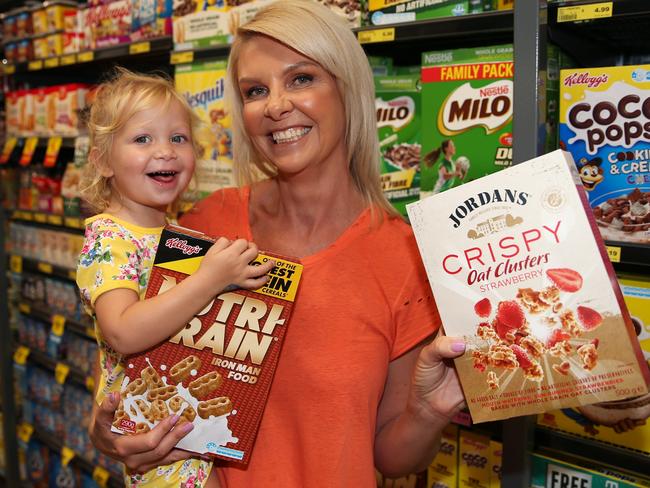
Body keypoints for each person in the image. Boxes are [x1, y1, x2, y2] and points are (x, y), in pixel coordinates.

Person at [86, 2, 467, 486]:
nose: (276, 105)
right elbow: (126, 361)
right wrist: (106, 431)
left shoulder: (405, 254)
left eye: (302, 79)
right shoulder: (202, 226)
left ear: (348, 88)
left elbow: (393, 457)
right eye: (256, 90)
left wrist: (432, 408)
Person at [76, 68, 273, 488]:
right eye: (142, 139)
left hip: (191, 423)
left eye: (177, 138)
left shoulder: (179, 235)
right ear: (102, 161)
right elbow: (123, 332)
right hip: (154, 440)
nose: (165, 151)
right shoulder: (110, 237)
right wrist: (211, 279)